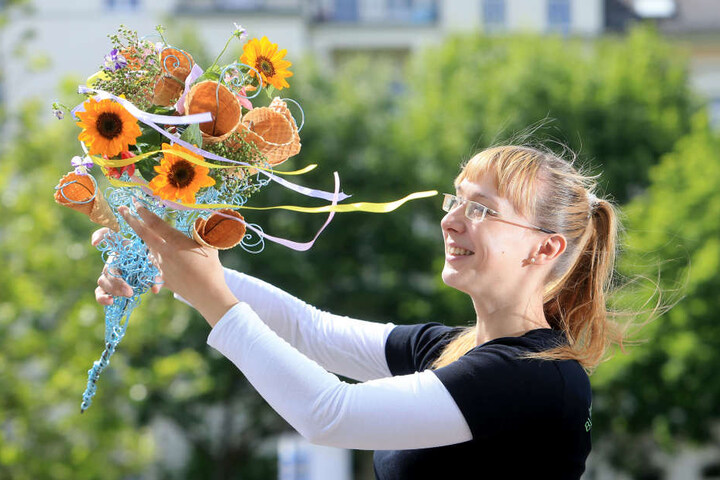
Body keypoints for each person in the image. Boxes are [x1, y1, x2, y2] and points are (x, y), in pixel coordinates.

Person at [94, 145, 625, 479]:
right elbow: (310, 329)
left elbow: (331, 415)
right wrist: (168, 264)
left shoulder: (535, 377)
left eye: (482, 210)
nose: (452, 221)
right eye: (456, 200)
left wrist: (210, 295)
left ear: (545, 248)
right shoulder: (446, 350)